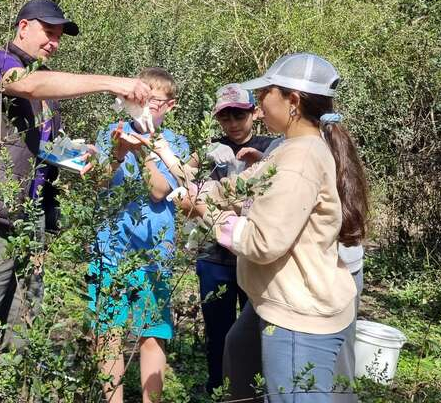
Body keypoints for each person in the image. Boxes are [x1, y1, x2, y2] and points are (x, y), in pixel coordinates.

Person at [0, 0, 152, 350]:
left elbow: (38, 144)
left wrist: (75, 153)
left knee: (22, 327)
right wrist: (113, 83)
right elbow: (24, 84)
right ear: (23, 27)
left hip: (32, 220)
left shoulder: (46, 87)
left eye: (59, 36)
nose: (53, 43)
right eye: (48, 32)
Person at [177, 53, 369, 402]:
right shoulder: (288, 149)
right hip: (273, 298)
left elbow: (264, 242)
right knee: (238, 352)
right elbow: (244, 187)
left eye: (267, 93)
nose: (260, 107)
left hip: (298, 310)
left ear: (292, 101)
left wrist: (205, 212)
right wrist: (199, 190)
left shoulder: (301, 157)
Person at [89, 68, 190, 403]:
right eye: (140, 99)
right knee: (108, 332)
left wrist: (142, 152)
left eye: (154, 101)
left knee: (152, 333)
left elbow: (160, 190)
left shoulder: (175, 144)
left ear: (170, 106)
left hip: (153, 255)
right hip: (109, 249)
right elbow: (100, 183)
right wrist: (117, 154)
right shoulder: (110, 133)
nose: (145, 108)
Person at [193, 83, 275, 395]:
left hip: (255, 256)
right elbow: (195, 200)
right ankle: (219, 389)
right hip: (215, 257)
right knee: (218, 330)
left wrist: (222, 198)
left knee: (258, 329)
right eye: (225, 117)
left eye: (239, 114)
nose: (232, 123)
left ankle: (254, 391)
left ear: (254, 112)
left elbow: (270, 198)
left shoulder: (272, 148)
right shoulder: (211, 152)